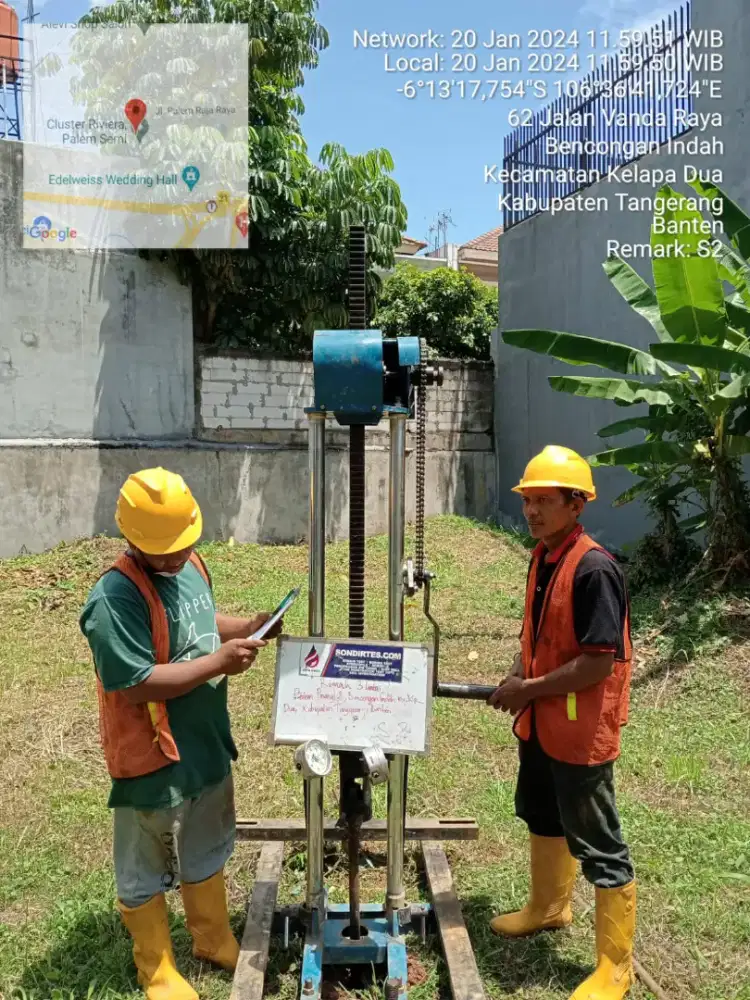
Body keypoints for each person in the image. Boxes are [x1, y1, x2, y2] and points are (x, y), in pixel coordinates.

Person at [80, 467, 283, 1000]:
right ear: (130, 537)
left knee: (204, 844)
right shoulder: (114, 599)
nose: (174, 557)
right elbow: (137, 684)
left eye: (182, 544)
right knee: (145, 860)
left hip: (203, 745)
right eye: (161, 550)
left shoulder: (188, 562)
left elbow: (197, 621)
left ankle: (212, 937)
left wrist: (246, 628)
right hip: (153, 755)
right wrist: (218, 663)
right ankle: (157, 967)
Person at [487, 445, 635, 1000]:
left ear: (577, 505)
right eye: (528, 500)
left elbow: (598, 661)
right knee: (544, 814)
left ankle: (614, 967)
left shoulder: (595, 568)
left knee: (599, 842)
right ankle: (549, 907)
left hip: (579, 729)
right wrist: (516, 677)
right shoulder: (544, 556)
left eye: (544, 501)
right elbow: (539, 637)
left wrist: (529, 689)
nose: (532, 511)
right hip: (541, 722)